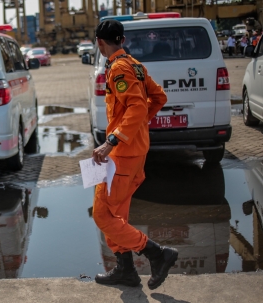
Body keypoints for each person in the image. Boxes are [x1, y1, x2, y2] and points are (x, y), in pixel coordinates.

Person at [91, 19, 178, 290]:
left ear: (100, 42)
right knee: (117, 215)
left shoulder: (119, 68)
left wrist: (112, 141)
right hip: (134, 152)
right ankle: (126, 271)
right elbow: (159, 97)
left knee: (103, 215)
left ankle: (156, 253)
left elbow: (138, 107)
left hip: (123, 154)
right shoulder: (136, 65)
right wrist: (136, 128)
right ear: (123, 40)